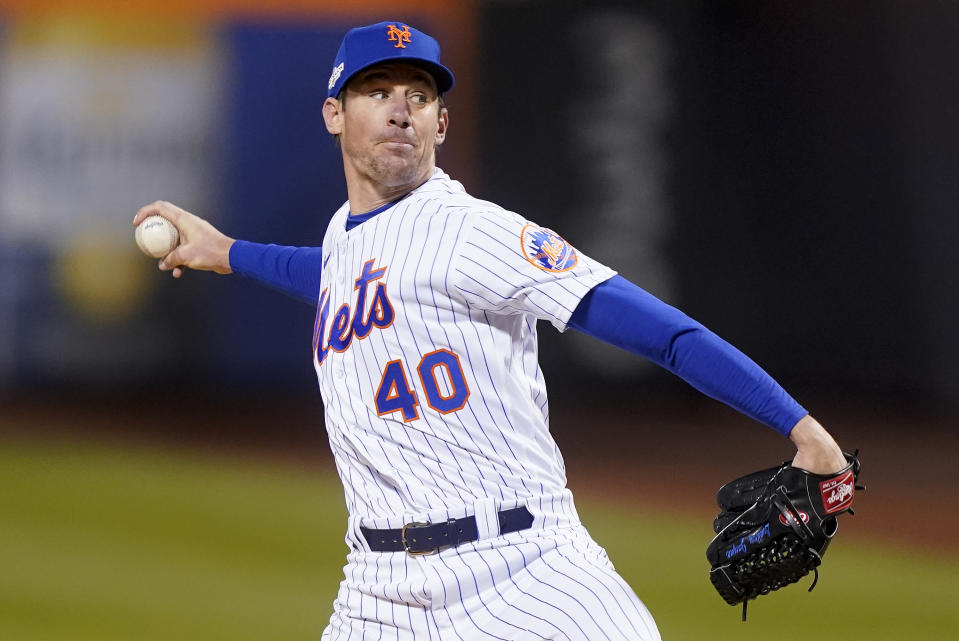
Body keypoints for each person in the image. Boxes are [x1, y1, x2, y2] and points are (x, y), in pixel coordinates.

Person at [134, 20, 847, 641]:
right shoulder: (346, 237)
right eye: (376, 92)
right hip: (377, 589)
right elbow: (331, 270)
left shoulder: (474, 232)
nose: (399, 112)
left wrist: (801, 428)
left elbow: (660, 331)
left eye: (418, 96)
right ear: (333, 113)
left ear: (440, 124)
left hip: (528, 569)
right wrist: (227, 252)